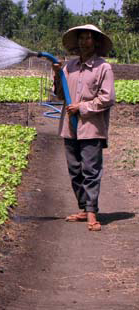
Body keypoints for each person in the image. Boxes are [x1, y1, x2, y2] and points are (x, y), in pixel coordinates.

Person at [52, 24, 115, 231]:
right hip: (69, 128)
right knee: (74, 171)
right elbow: (60, 95)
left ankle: (92, 213)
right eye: (81, 38)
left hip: (91, 127)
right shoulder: (69, 67)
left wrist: (82, 107)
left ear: (95, 42)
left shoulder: (103, 68)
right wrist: (57, 75)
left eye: (88, 38)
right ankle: (82, 208)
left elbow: (107, 98)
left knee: (90, 171)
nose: (83, 42)